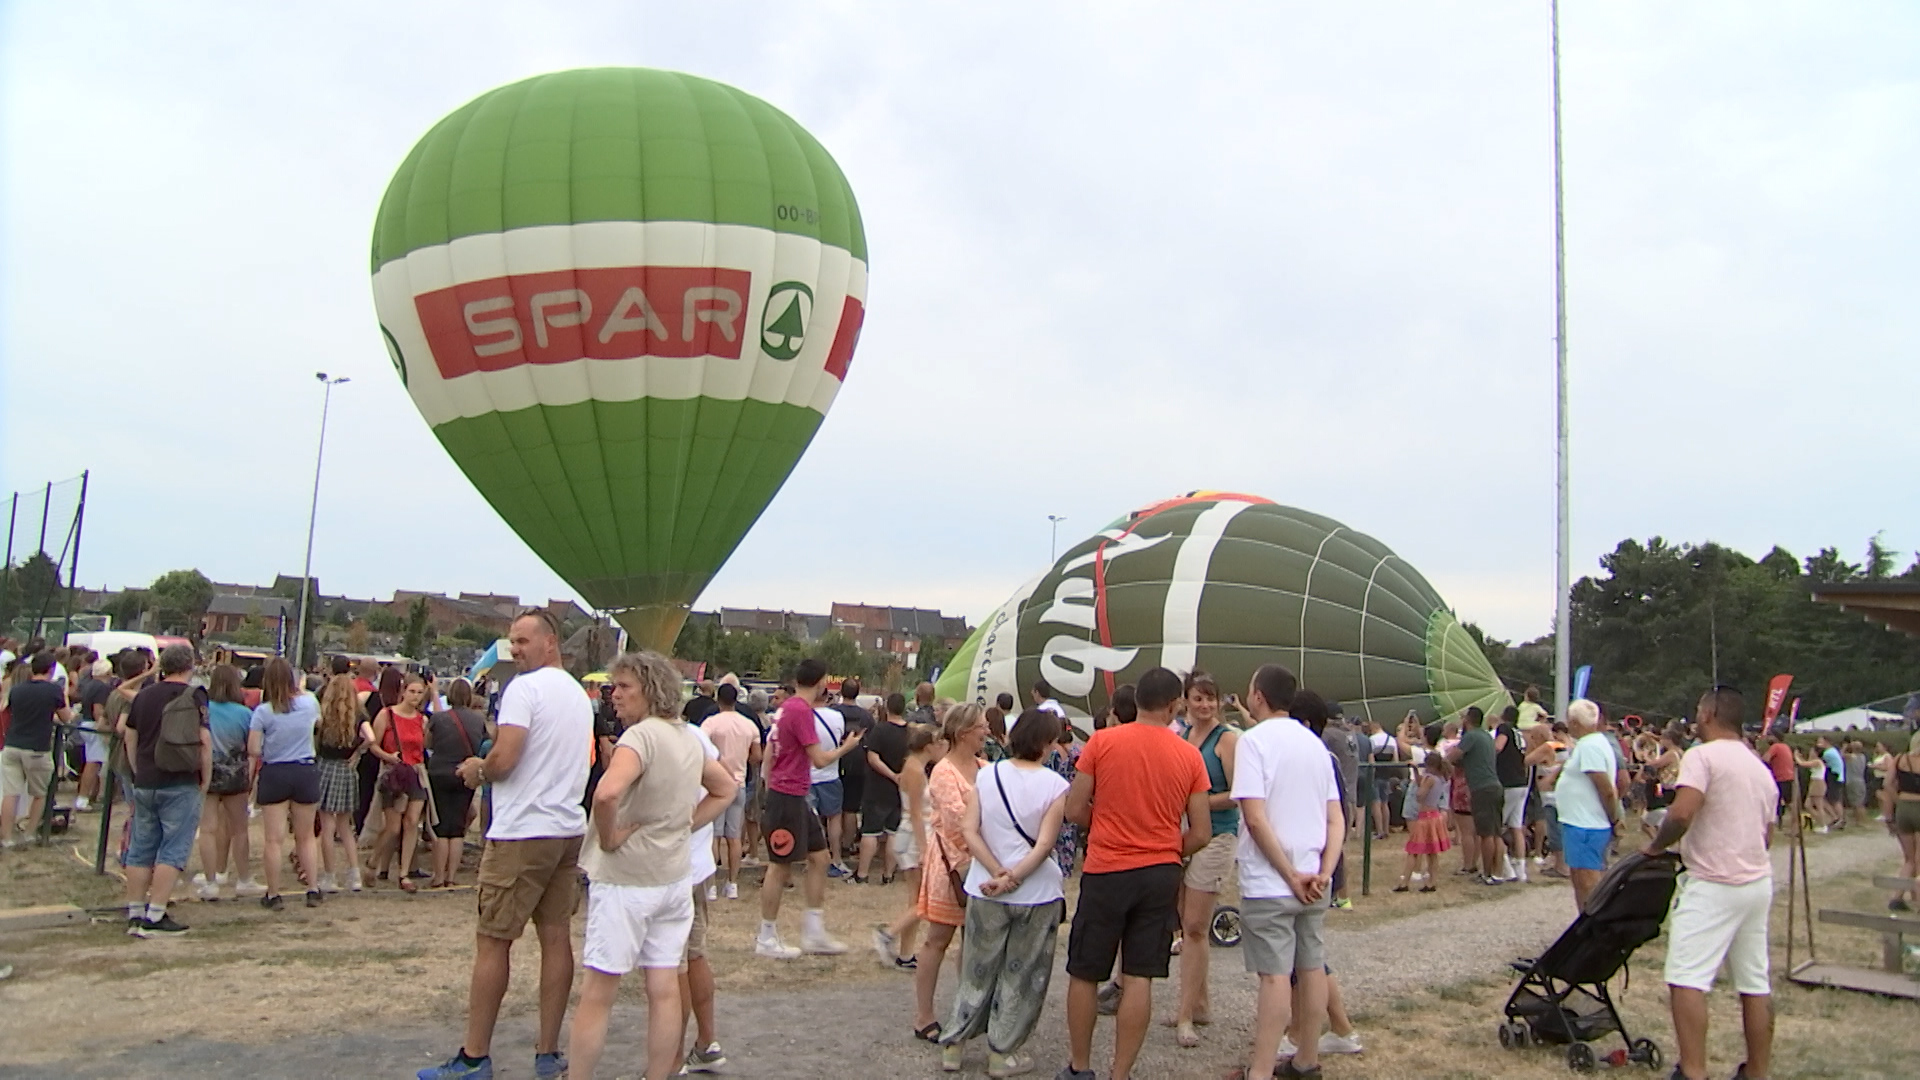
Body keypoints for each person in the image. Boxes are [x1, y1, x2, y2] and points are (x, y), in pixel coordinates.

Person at [422, 611, 591, 1080]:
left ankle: (474, 1056)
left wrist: (479, 769)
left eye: (522, 641)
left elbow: (506, 757)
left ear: (550, 642)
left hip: (522, 830)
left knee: (494, 940)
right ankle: (547, 1051)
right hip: (565, 828)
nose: (514, 649)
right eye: (512, 641)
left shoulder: (524, 689)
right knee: (555, 936)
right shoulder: (577, 694)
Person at [568, 650, 733, 1080]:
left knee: (598, 992)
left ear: (650, 690)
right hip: (673, 878)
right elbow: (725, 788)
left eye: (624, 687)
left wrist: (609, 837)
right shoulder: (688, 737)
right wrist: (684, 824)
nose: (614, 695)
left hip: (627, 880)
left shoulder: (639, 739)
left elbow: (606, 794)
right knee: (664, 989)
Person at [1057, 668, 1210, 1080]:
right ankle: (1120, 1073)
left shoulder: (1102, 743)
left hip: (1107, 867)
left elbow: (1074, 808)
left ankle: (1080, 1066)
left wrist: (1107, 825)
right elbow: (1201, 831)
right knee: (1140, 974)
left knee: (1085, 971)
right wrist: (1166, 848)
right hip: (1159, 872)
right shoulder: (1189, 755)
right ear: (1174, 704)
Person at [1644, 686, 1777, 1080]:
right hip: (1756, 881)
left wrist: (1656, 847)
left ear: (1708, 714)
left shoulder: (1702, 757)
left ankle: (1693, 1071)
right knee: (1754, 982)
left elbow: (1682, 813)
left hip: (1714, 881)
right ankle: (1757, 1072)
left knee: (1686, 977)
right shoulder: (1758, 766)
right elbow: (1768, 834)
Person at [1225, 663, 1343, 1080]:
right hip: (1314, 878)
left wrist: (1289, 873)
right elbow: (1335, 818)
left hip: (1271, 880)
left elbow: (1255, 818)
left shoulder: (1253, 742)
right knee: (1311, 968)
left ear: (1258, 696)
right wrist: (1324, 870)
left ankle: (1260, 1070)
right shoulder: (1315, 745)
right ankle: (1307, 1060)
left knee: (1274, 977)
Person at [937, 708, 1070, 1077]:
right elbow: (1045, 844)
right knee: (1022, 974)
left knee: (976, 967)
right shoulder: (1055, 786)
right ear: (1047, 743)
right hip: (1036, 892)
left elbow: (969, 829)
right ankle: (1002, 1051)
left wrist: (996, 871)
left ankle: (954, 1042)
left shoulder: (987, 774)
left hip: (984, 886)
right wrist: (1014, 876)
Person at [757, 657, 862, 959]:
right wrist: (846, 748)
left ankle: (813, 931)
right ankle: (766, 936)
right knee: (780, 865)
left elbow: (771, 750)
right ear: (821, 682)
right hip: (787, 795)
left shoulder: (787, 708)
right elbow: (819, 759)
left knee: (820, 857)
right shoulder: (801, 711)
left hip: (794, 793)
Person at [121, 644, 210, 937]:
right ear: (189, 666)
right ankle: (156, 913)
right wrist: (205, 777)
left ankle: (135, 910)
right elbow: (204, 741)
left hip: (146, 778)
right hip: (180, 779)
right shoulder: (195, 696)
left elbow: (130, 736)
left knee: (140, 847)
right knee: (173, 848)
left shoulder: (144, 696)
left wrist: (137, 769)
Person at [911, 704, 987, 1041]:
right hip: (951, 865)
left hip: (979, 863)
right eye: (981, 726)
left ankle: (966, 1009)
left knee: (974, 941)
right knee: (938, 939)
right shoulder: (943, 771)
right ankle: (924, 1015)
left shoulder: (984, 768)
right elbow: (957, 820)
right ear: (964, 732)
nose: (987, 731)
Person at [1174, 670, 1238, 1048]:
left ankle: (1185, 1015)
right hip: (1187, 834)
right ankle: (1198, 1003)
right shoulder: (1184, 737)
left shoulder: (1226, 739)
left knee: (1196, 925)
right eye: (1198, 698)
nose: (1205, 705)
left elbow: (1238, 792)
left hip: (1217, 834)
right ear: (1186, 700)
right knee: (1187, 923)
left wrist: (1197, 803)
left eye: (1210, 698)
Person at [248, 657, 324, 909]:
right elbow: (318, 725)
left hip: (276, 771)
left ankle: (273, 893)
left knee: (274, 839)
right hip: (304, 769)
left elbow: (253, 748)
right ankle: (312, 888)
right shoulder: (309, 703)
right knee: (306, 836)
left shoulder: (264, 712)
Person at [875, 722, 942, 970]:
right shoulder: (914, 770)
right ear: (928, 746)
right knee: (924, 899)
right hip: (914, 835)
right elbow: (914, 812)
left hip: (914, 832)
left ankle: (905, 953)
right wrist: (924, 848)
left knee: (916, 897)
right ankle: (888, 934)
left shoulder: (915, 767)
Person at [192, 664, 258, 900]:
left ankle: (211, 880)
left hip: (208, 770)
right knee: (239, 829)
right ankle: (244, 878)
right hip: (235, 772)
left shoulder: (204, 710)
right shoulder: (245, 714)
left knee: (208, 828)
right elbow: (251, 747)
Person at [367, 673, 431, 890]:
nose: (415, 696)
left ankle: (404, 873)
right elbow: (373, 745)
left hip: (416, 772)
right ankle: (374, 860)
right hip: (394, 772)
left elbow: (424, 746)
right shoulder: (386, 715)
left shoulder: (422, 720)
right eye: (412, 691)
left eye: (420, 692)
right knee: (393, 827)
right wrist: (387, 756)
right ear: (403, 691)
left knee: (412, 822)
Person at [1555, 699, 1621, 910]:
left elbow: (1605, 788)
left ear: (1575, 722)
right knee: (1579, 878)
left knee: (1587, 881)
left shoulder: (1590, 747)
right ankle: (1584, 920)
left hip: (1586, 823)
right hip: (1579, 821)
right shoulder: (1590, 744)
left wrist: (1614, 817)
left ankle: (1594, 922)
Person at [1, 653, 71, 849]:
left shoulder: (17, 689)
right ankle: (29, 833)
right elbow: (66, 717)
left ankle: (6, 837)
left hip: (12, 744)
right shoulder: (53, 690)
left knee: (10, 793)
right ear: (51, 670)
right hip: (37, 747)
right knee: (39, 793)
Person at [426, 679, 490, 888]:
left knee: (441, 826)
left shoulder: (438, 718)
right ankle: (451, 876)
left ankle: (438, 875)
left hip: (439, 773)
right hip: (465, 772)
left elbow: (427, 743)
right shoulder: (478, 720)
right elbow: (484, 743)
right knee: (458, 827)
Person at [701, 682, 760, 900]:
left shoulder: (711, 723)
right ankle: (732, 883)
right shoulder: (748, 725)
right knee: (734, 837)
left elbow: (702, 750)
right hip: (738, 783)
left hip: (715, 785)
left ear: (718, 699)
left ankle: (711, 884)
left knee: (714, 836)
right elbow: (757, 756)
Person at [314, 675, 365, 893]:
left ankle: (330, 876)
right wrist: (357, 753)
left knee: (327, 826)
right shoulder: (358, 717)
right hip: (346, 769)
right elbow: (371, 738)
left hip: (326, 768)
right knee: (345, 826)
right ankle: (355, 875)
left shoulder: (323, 716)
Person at [1446, 706, 1506, 886]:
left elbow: (1452, 756)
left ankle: (1487, 874)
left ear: (1468, 720)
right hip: (1495, 786)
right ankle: (1497, 872)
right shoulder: (1486, 736)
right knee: (1496, 833)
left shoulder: (1470, 736)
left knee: (1486, 834)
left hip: (1482, 789)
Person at [857, 690, 912, 885]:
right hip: (900, 789)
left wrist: (891, 775)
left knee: (870, 832)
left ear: (887, 708)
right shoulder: (910, 732)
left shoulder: (880, 730)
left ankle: (862, 874)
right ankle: (888, 874)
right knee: (893, 833)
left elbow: (873, 758)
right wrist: (900, 776)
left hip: (877, 788)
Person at [833, 677, 875, 875]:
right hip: (858, 763)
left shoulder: (833, 712)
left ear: (841, 692)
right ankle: (846, 844)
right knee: (851, 808)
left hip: (835, 761)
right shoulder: (866, 717)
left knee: (834, 810)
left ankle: (832, 842)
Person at [1395, 753, 1451, 892]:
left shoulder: (1430, 779)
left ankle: (1405, 882)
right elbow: (1421, 784)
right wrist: (1416, 772)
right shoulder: (1440, 778)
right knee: (1432, 853)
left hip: (1425, 818)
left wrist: (1422, 780)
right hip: (1434, 816)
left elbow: (1419, 795)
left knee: (1413, 850)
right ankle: (1432, 882)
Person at [1883, 733, 1920, 912]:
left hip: (1903, 808)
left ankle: (1897, 898)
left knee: (1909, 859)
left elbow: (1887, 783)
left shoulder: (1899, 759)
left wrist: (1898, 801)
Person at [1493, 705, 1531, 883]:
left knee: (1497, 826)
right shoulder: (1519, 733)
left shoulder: (1504, 728)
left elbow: (1498, 746)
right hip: (1521, 781)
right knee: (1516, 826)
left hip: (1507, 782)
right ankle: (1521, 869)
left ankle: (1507, 869)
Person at [73, 658, 116, 812]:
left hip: (86, 723)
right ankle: (83, 799)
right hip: (94, 726)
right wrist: (104, 728)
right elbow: (98, 710)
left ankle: (90, 796)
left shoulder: (89, 685)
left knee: (92, 761)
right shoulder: (102, 688)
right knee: (93, 763)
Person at [1792, 741, 1830, 832]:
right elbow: (1806, 762)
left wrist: (1796, 755)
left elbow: (1802, 764)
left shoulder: (1817, 761)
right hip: (1814, 783)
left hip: (1818, 783)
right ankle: (1820, 821)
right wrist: (1800, 757)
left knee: (1819, 805)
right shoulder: (1815, 761)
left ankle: (1823, 825)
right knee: (1807, 805)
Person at [1759, 735, 1794, 823]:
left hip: (1779, 777)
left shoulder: (1775, 747)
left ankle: (1776, 819)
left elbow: (1766, 758)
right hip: (1789, 776)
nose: (1768, 738)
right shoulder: (1785, 746)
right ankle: (1794, 818)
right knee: (1788, 801)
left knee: (1774, 799)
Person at [1818, 736, 1847, 830]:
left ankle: (1839, 819)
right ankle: (1838, 818)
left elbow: (1817, 760)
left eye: (1820, 742)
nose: (1818, 744)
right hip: (1837, 777)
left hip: (1835, 777)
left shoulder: (1828, 753)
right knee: (1834, 799)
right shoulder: (1833, 750)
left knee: (1834, 800)